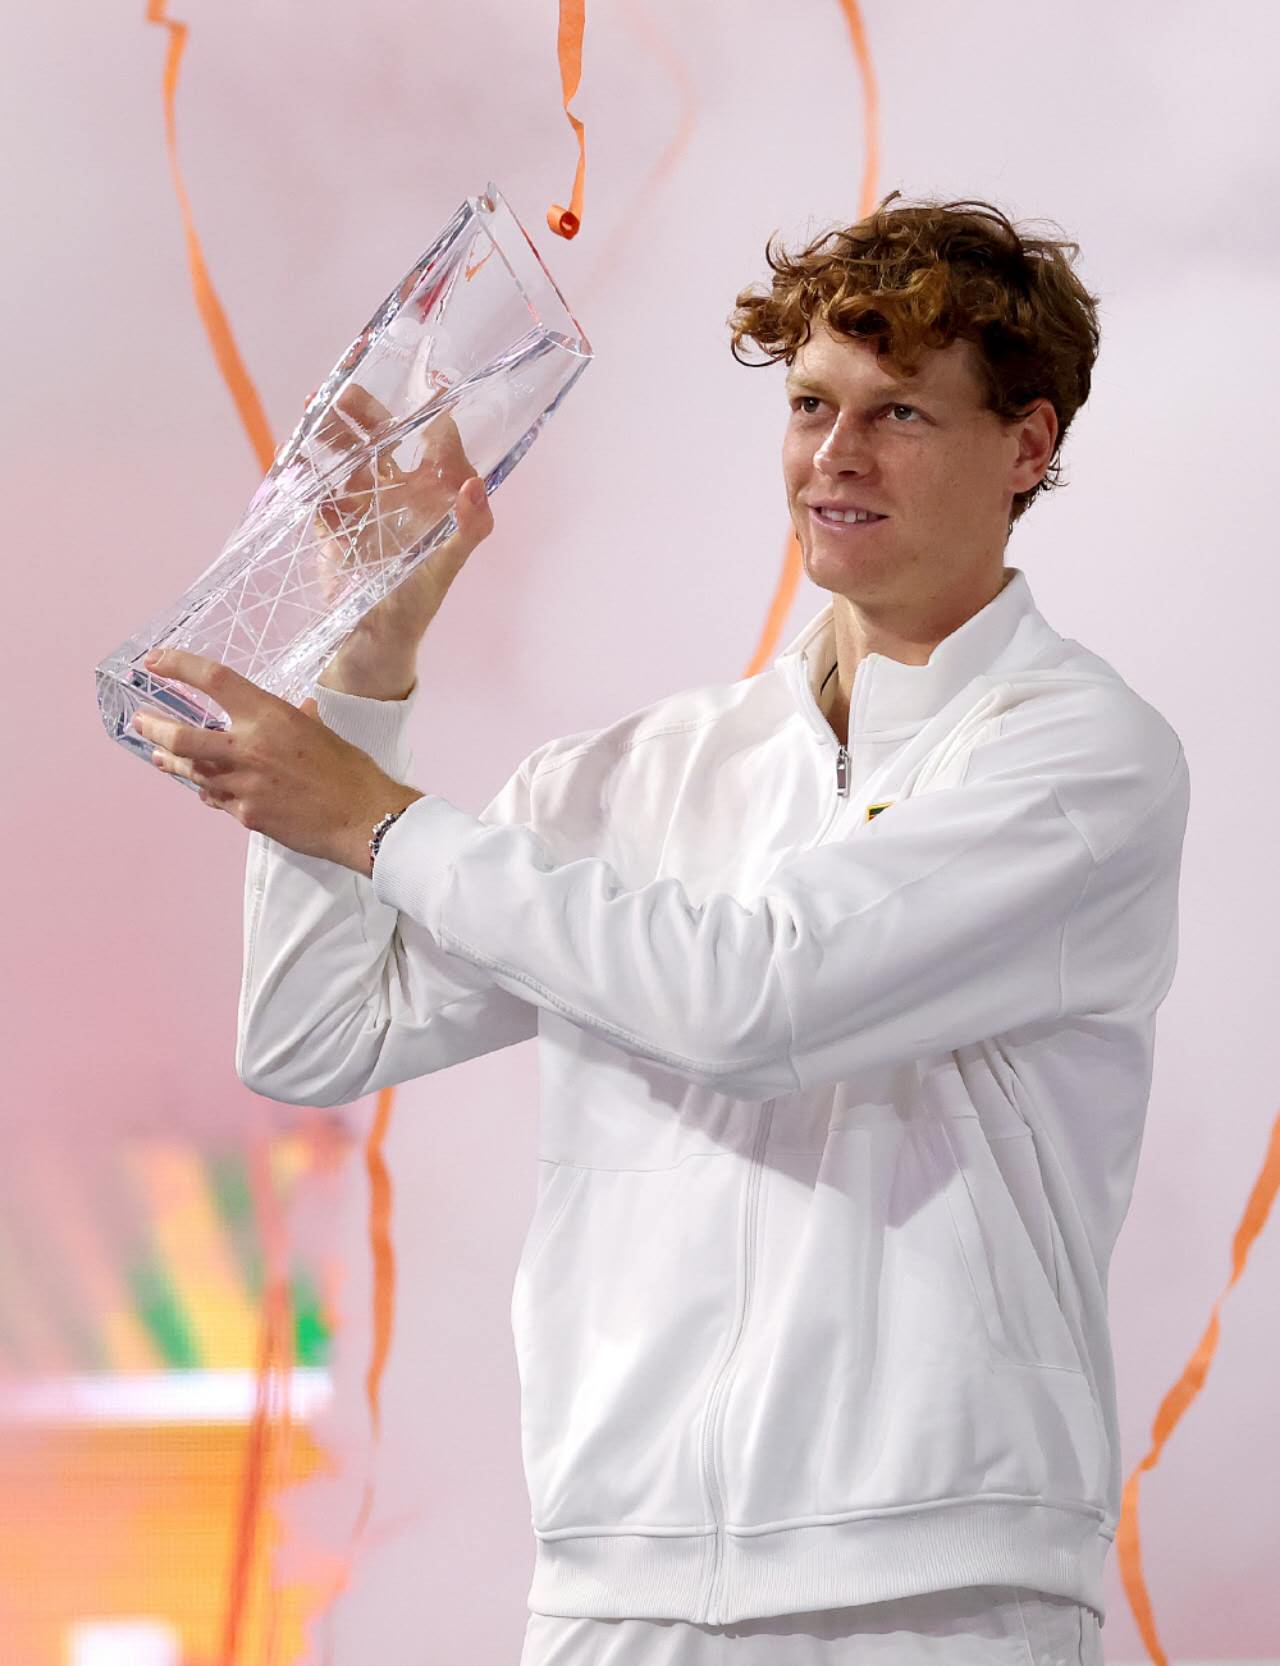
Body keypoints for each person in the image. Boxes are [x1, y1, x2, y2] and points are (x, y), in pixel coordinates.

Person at [139, 192, 1189, 1663]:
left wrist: (378, 817)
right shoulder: (639, 771)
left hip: (938, 1593)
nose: (835, 454)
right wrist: (371, 669)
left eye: (899, 413)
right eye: (811, 403)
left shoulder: (1081, 756)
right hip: (617, 1588)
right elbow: (317, 1035)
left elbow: (760, 1002)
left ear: (1028, 445)